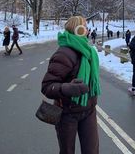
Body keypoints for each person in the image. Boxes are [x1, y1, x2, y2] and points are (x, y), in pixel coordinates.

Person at [41, 16, 101, 154]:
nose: (87, 29)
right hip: (67, 114)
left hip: (89, 110)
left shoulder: (89, 51)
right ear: (78, 30)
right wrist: (68, 88)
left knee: (92, 151)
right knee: (67, 151)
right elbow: (47, 86)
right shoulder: (64, 54)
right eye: (84, 26)